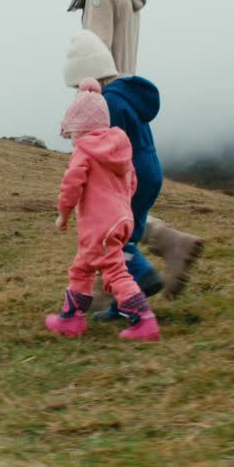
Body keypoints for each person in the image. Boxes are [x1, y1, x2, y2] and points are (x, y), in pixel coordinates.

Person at [65, 0, 205, 296]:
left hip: (107, 105)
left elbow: (94, 53)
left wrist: (84, 110)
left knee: (101, 201)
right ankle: (166, 245)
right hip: (129, 97)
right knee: (124, 194)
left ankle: (130, 279)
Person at [45, 78, 160, 342]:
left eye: (72, 133)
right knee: (82, 268)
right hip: (119, 219)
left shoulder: (84, 151)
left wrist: (63, 213)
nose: (72, 140)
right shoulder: (119, 147)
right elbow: (132, 181)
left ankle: (144, 320)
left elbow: (71, 184)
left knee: (115, 273)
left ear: (81, 129)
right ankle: (70, 319)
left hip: (99, 227)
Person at [63, 30, 164, 320]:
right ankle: (122, 306)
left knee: (114, 240)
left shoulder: (107, 103)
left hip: (131, 177)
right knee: (129, 231)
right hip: (151, 171)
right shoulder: (127, 95)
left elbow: (104, 148)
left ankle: (143, 276)